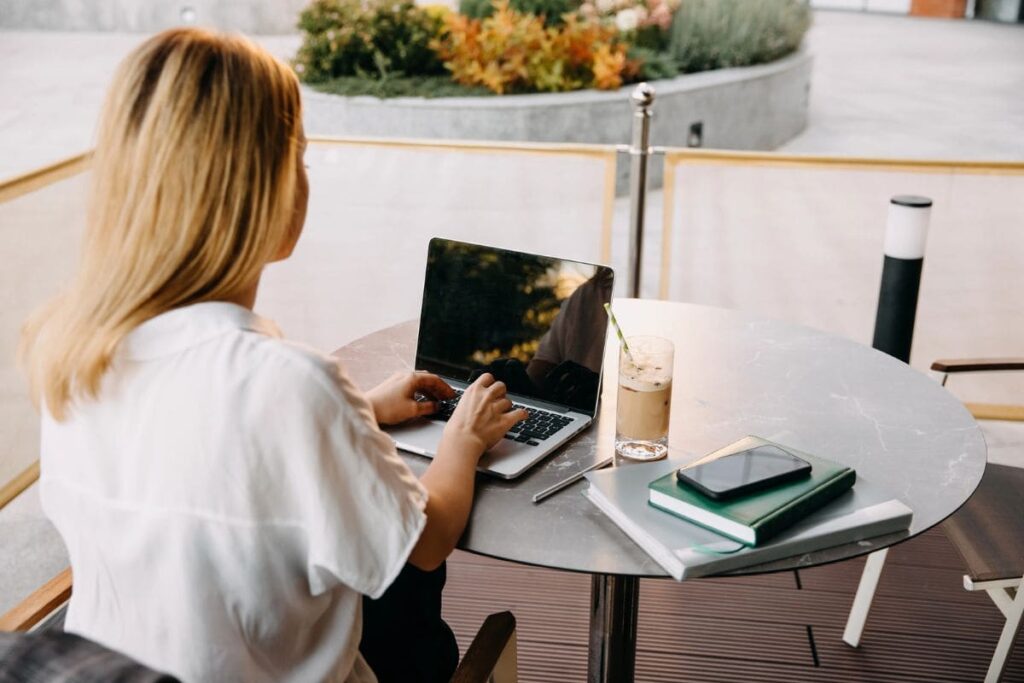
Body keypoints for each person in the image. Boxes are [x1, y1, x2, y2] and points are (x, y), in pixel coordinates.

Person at [19, 27, 525, 683]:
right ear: (265, 187)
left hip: (110, 668)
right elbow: (425, 544)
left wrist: (361, 410)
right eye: (301, 158)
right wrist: (463, 439)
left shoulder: (72, 356)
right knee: (410, 597)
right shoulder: (290, 384)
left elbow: (198, 456)